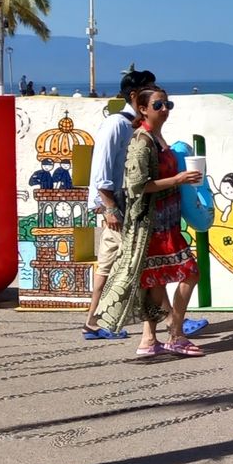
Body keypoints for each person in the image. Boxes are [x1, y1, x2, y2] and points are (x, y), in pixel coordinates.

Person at [89, 84, 207, 358]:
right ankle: (176, 334)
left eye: (167, 105)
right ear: (142, 108)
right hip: (152, 225)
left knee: (155, 281)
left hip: (166, 221)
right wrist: (178, 179)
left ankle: (148, 340)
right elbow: (137, 186)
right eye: (158, 105)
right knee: (190, 272)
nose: (164, 109)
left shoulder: (157, 137)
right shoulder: (142, 141)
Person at [83, 68, 156, 338]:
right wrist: (110, 207)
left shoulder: (135, 126)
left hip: (123, 206)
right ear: (135, 95)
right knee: (140, 262)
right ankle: (173, 322)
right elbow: (101, 169)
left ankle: (93, 322)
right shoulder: (117, 124)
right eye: (150, 89)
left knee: (109, 265)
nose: (155, 93)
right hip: (118, 207)